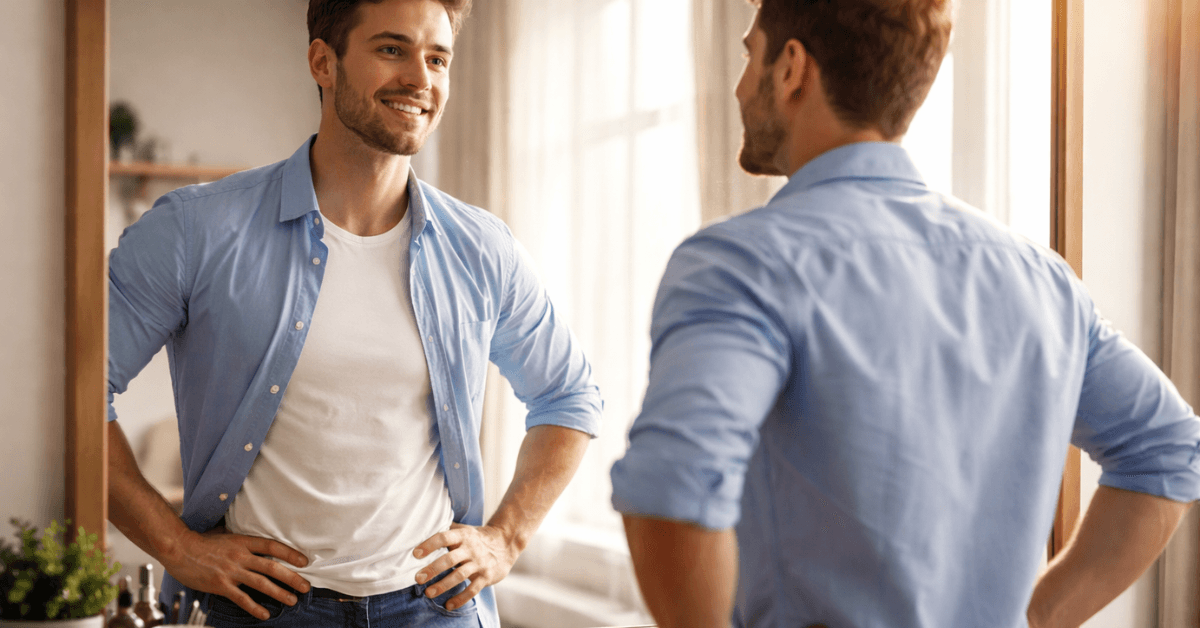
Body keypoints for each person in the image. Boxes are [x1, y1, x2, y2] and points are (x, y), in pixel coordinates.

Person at [610, 1, 1200, 627]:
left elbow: (673, 491)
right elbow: (1168, 451)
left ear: (791, 69)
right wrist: (1040, 618)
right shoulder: (1041, 280)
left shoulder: (744, 264)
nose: (737, 85)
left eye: (749, 54)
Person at [106, 1, 601, 627]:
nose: (421, 79)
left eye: (437, 57)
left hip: (434, 609)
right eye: (392, 49)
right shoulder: (196, 230)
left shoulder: (482, 249)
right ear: (324, 62)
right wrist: (179, 549)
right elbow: (76, 394)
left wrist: (505, 539)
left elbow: (570, 396)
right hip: (261, 610)